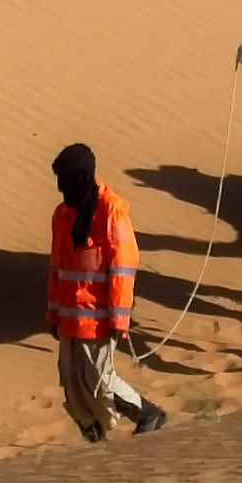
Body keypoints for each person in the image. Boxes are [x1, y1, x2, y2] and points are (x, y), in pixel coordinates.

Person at [48, 143, 166, 442]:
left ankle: (147, 414)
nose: (62, 187)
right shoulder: (63, 215)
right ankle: (94, 440)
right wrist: (52, 313)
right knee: (73, 386)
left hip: (98, 318)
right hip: (69, 320)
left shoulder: (111, 213)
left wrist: (119, 318)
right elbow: (56, 269)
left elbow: (123, 270)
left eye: (67, 179)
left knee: (99, 382)